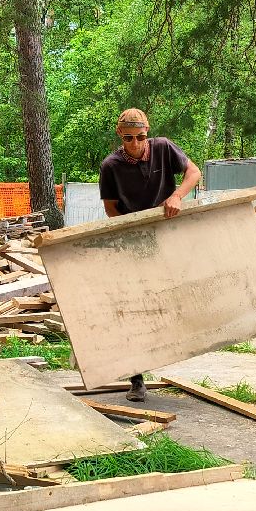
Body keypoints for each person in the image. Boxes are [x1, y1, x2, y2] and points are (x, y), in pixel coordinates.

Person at [98, 108, 203, 401]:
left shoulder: (164, 147)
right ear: (120, 135)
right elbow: (110, 208)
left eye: (141, 137)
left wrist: (176, 196)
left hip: (168, 233)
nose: (135, 144)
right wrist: (131, 232)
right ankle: (136, 378)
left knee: (180, 293)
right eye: (129, 138)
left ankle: (186, 342)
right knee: (134, 306)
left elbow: (194, 171)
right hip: (134, 241)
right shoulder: (111, 166)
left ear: (148, 132)